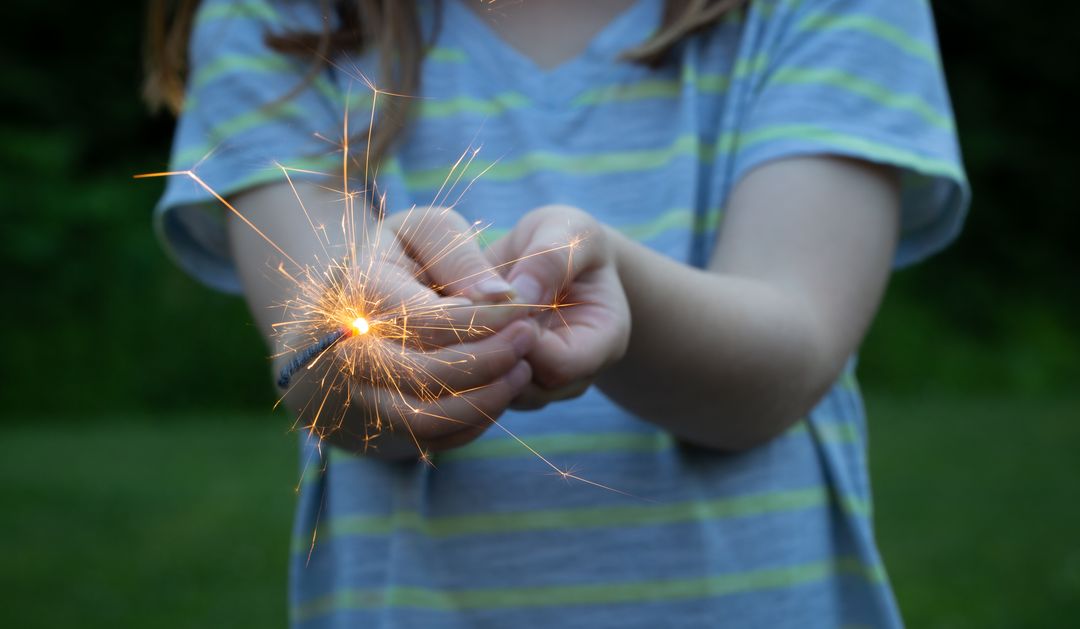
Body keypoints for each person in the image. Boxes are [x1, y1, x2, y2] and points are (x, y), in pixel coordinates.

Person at [147, 0, 968, 626]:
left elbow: (780, 370)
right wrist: (378, 345)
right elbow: (319, 353)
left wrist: (622, 289)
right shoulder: (282, 18)